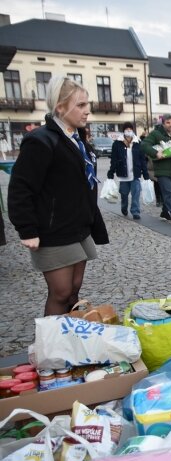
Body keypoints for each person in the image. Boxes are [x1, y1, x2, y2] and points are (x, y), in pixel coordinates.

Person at [8, 76, 108, 315]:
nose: (87, 111)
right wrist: (27, 229)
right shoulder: (40, 140)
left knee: (73, 291)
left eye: (87, 104)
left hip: (77, 226)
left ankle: (68, 340)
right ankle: (50, 349)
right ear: (60, 108)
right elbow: (21, 187)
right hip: (53, 231)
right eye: (81, 105)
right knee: (61, 293)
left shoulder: (76, 137)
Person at [141, 114, 171, 225]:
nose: (170, 125)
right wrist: (155, 153)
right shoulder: (156, 134)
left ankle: (164, 212)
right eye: (168, 123)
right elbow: (144, 145)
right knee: (168, 192)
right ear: (163, 123)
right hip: (162, 170)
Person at [106, 122, 149, 219]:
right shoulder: (117, 143)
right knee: (124, 193)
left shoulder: (138, 143)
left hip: (135, 173)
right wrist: (111, 172)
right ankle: (124, 207)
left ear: (133, 130)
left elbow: (142, 159)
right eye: (127, 129)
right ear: (123, 131)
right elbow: (114, 159)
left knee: (136, 193)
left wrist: (145, 173)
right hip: (123, 173)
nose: (129, 131)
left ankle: (135, 211)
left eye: (130, 129)